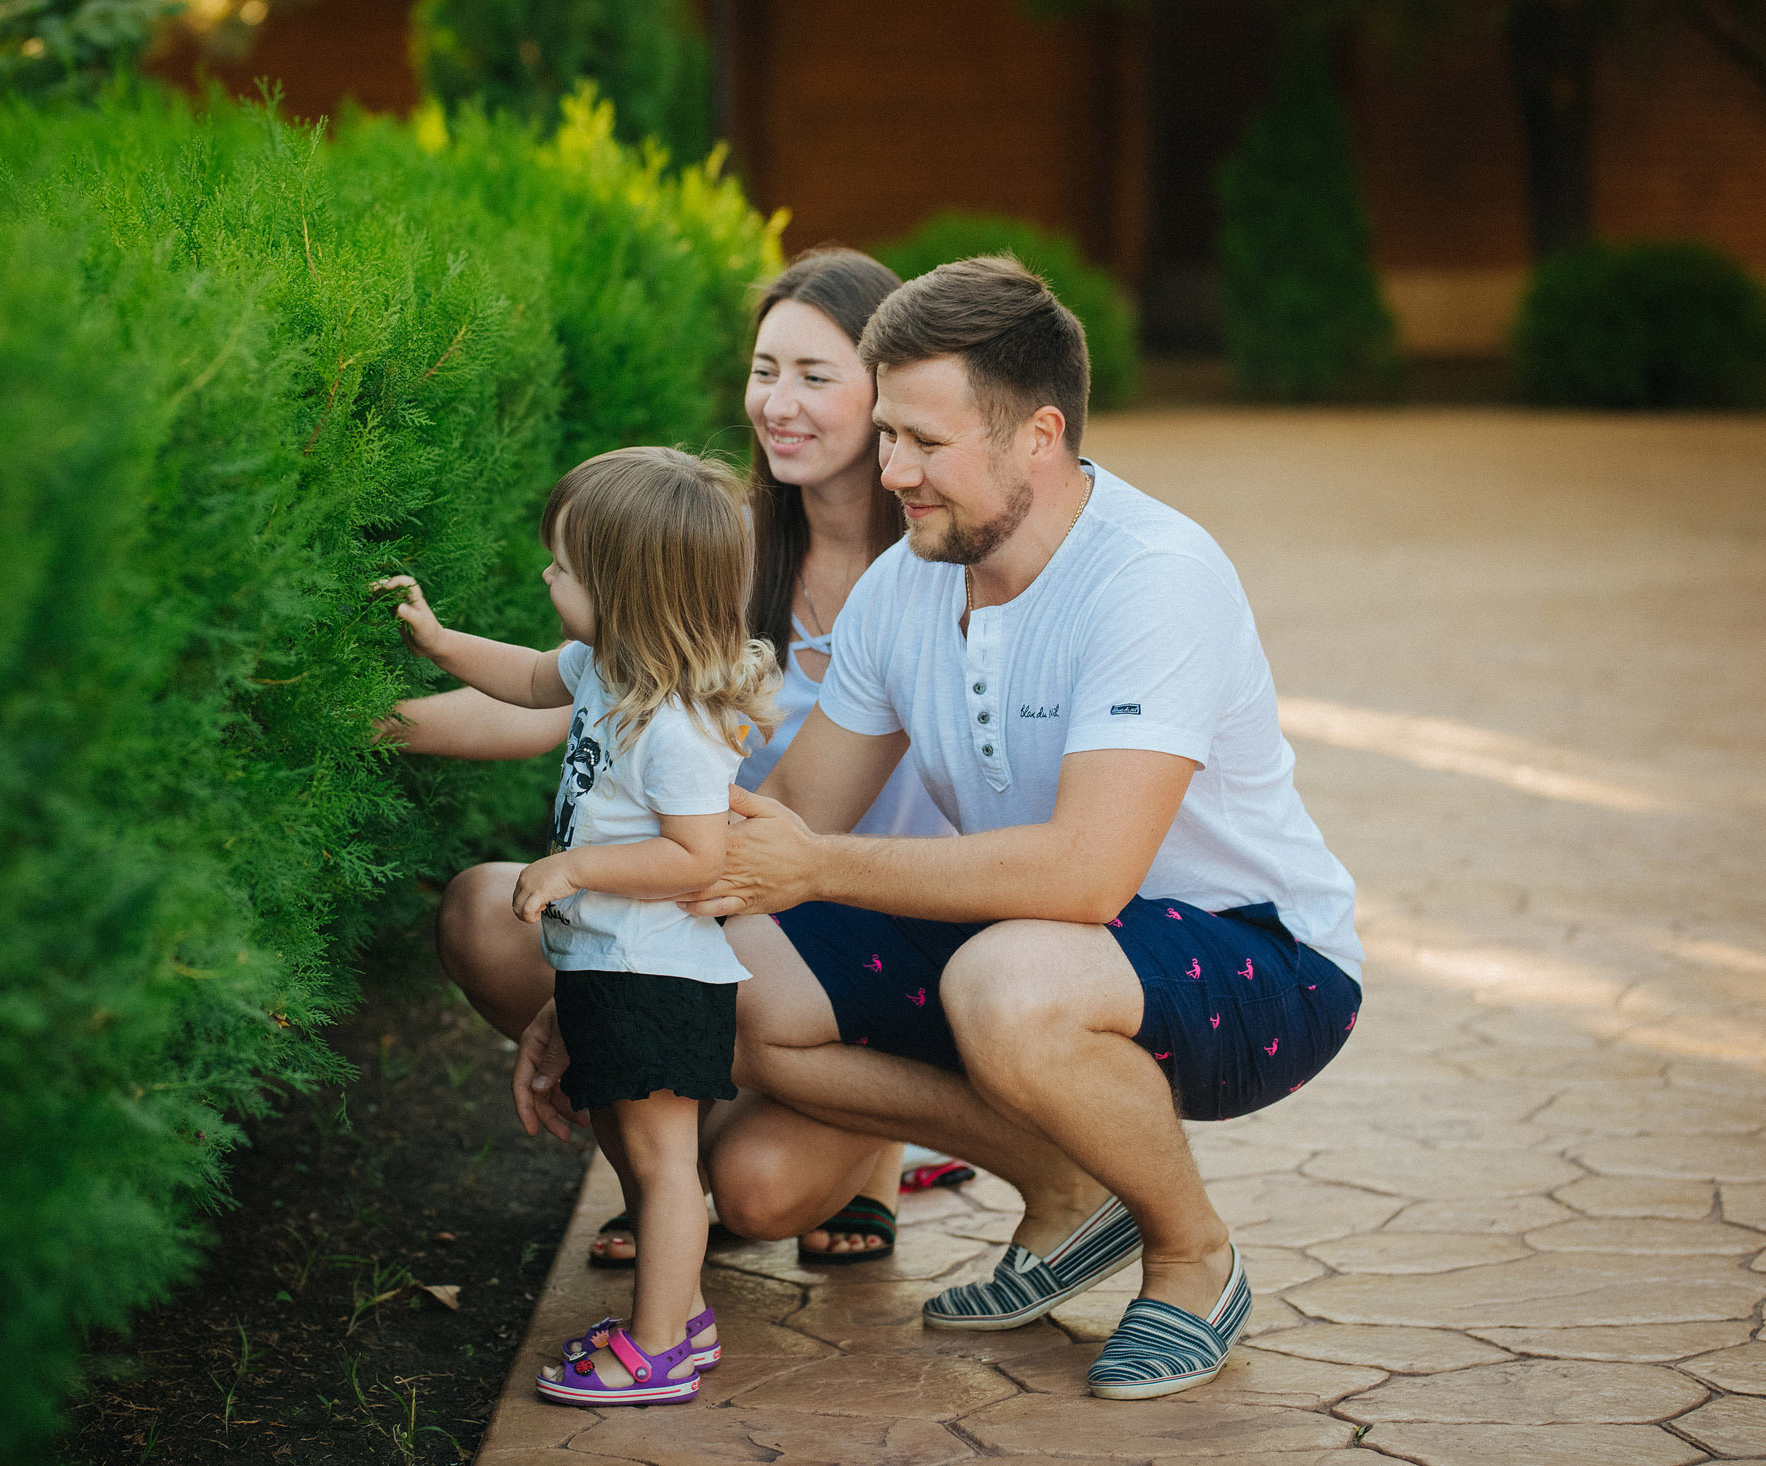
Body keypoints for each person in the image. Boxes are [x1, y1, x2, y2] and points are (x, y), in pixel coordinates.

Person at [515, 256, 1364, 1400]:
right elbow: (785, 821)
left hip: (1259, 956)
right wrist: (593, 973)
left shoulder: (1153, 577)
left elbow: (1086, 874)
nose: (894, 471)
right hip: (1018, 938)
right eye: (889, 438)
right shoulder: (909, 581)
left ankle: (1191, 1257)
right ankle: (1073, 1188)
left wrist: (816, 866)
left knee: (1008, 981)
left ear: (1037, 436)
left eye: (923, 442)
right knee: (734, 974)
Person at [387, 249, 962, 1266]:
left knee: (761, 1192)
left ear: (889, 393)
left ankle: (871, 1140)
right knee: (487, 907)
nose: (775, 404)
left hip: (856, 939)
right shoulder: (717, 544)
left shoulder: (938, 568)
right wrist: (368, 719)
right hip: (713, 909)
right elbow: (561, 698)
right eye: (762, 369)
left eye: (814, 377)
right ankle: (662, 1186)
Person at [376, 446, 780, 1406]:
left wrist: (575, 867)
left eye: (563, 567)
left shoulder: (677, 727)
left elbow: (698, 858)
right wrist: (439, 643)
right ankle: (671, 1320)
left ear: (628, 591)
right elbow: (523, 679)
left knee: (661, 1168)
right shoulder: (605, 670)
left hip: (657, 974)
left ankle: (659, 1352)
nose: (546, 576)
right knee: (644, 1161)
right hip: (611, 962)